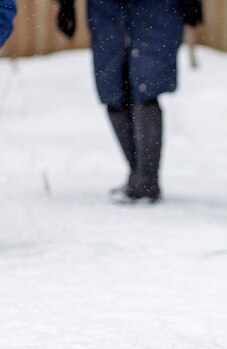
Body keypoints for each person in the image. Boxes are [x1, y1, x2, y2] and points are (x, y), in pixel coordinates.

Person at [55, 0, 203, 203]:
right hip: (106, 8)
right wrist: (65, 4)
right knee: (113, 88)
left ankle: (146, 180)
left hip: (156, 7)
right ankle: (138, 174)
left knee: (146, 86)